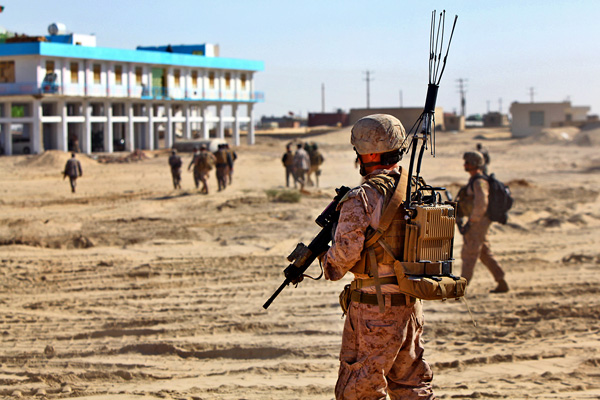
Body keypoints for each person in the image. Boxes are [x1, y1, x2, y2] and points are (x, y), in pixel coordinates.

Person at [321, 114, 435, 399]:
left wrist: (327, 261)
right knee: (411, 387)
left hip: (374, 311)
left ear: (371, 152)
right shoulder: (416, 188)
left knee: (359, 390)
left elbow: (343, 257)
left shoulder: (362, 197)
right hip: (410, 303)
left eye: (358, 149)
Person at [458, 151, 508, 293]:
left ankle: (461, 288)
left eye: (467, 162)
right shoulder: (475, 180)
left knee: (469, 253)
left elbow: (481, 204)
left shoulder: (479, 182)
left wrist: (471, 221)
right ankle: (501, 280)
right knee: (484, 252)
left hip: (478, 221)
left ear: (474, 164)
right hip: (478, 220)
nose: (465, 165)